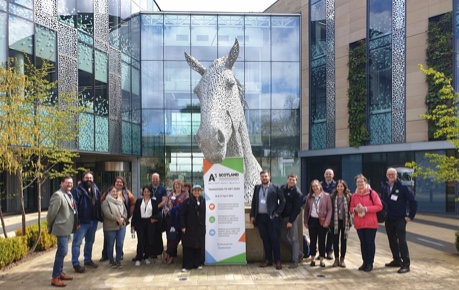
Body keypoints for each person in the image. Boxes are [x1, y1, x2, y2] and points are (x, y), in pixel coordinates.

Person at [381, 168, 418, 274]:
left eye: (393, 174)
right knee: (392, 240)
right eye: (389, 174)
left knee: (401, 240)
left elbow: (413, 202)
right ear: (386, 175)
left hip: (400, 218)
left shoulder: (403, 186)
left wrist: (410, 216)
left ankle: (406, 264)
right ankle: (396, 260)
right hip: (389, 218)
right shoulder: (385, 186)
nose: (391, 176)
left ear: (396, 175)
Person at [250, 170, 286, 270]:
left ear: (269, 177)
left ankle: (278, 261)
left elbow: (283, 201)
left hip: (272, 218)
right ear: (260, 178)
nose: (264, 178)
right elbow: (254, 203)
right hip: (260, 218)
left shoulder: (276, 187)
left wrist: (278, 212)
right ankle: (268, 260)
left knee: (274, 239)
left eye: (266, 176)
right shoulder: (257, 188)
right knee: (265, 239)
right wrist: (252, 215)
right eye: (262, 176)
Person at [47, 176, 77, 287]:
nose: (69, 184)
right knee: (62, 252)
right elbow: (51, 213)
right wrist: (50, 226)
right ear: (61, 183)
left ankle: (60, 272)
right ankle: (55, 277)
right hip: (61, 228)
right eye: (67, 182)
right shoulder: (58, 195)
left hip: (67, 228)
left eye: (71, 183)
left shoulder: (69, 194)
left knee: (62, 252)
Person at [350, 174, 383, 272]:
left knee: (369, 243)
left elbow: (379, 206)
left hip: (370, 223)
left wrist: (366, 209)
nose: (360, 183)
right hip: (359, 223)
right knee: (363, 243)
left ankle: (370, 263)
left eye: (361, 181)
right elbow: (351, 208)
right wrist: (355, 209)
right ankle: (364, 262)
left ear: (365, 182)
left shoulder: (372, 193)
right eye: (358, 182)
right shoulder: (354, 195)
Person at [71, 172, 102, 273]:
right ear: (83, 179)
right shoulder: (77, 191)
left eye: (91, 178)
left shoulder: (95, 189)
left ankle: (87, 260)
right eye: (87, 178)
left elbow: (99, 203)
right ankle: (75, 263)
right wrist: (76, 222)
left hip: (93, 221)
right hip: (82, 222)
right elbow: (74, 207)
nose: (89, 179)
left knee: (90, 242)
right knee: (77, 243)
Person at [100, 177, 135, 262]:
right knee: (108, 241)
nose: (119, 183)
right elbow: (101, 202)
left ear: (123, 184)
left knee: (120, 241)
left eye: (121, 182)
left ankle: (119, 255)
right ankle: (106, 255)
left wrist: (126, 218)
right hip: (110, 223)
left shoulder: (127, 193)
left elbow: (132, 203)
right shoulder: (107, 192)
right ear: (114, 183)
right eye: (117, 182)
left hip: (122, 221)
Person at [303, 179, 332, 267]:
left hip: (322, 221)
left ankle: (322, 260)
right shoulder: (309, 196)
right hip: (312, 220)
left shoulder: (326, 196)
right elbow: (306, 210)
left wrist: (327, 221)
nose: (315, 187)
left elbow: (330, 209)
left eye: (316, 186)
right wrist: (305, 221)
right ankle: (312, 259)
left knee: (322, 240)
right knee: (313, 240)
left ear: (320, 186)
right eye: (313, 186)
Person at [131, 186, 160, 266]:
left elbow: (157, 213)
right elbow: (135, 214)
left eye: (148, 191)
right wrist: (132, 225)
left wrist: (154, 219)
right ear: (143, 192)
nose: (146, 193)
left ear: (150, 192)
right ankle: (139, 258)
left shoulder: (154, 202)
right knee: (141, 241)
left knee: (148, 240)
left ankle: (146, 257)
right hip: (140, 223)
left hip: (150, 223)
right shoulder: (139, 201)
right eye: (145, 191)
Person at [180, 184, 206, 272]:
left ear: (201, 192)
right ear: (192, 191)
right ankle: (186, 265)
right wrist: (183, 226)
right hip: (189, 228)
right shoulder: (187, 202)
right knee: (188, 246)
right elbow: (182, 214)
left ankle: (197, 264)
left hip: (199, 228)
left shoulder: (203, 201)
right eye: (195, 190)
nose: (197, 192)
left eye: (198, 190)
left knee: (198, 246)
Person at [162, 179, 189, 264]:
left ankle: (167, 252)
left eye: (179, 185)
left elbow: (187, 205)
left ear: (181, 186)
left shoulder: (185, 194)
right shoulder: (170, 195)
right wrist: (169, 211)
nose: (177, 186)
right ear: (174, 186)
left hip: (181, 219)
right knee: (171, 237)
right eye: (175, 185)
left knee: (178, 237)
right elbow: (165, 206)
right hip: (171, 219)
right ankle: (171, 256)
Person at [279, 173, 303, 268]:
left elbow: (297, 208)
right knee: (283, 237)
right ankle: (299, 253)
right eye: (290, 179)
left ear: (296, 181)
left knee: (294, 239)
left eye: (293, 180)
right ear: (287, 179)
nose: (291, 181)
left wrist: (291, 221)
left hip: (292, 218)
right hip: (282, 217)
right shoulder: (282, 188)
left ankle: (295, 261)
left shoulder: (298, 193)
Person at [101, 186, 128, 269]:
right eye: (113, 191)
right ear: (109, 193)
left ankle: (118, 260)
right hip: (110, 227)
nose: (115, 193)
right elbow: (107, 214)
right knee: (110, 244)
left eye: (116, 191)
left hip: (121, 226)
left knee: (120, 244)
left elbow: (125, 211)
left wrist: (123, 218)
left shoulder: (120, 201)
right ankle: (111, 261)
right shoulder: (106, 202)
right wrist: (117, 219)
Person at [330, 179, 351, 268]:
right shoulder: (332, 197)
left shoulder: (348, 196)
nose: (340, 188)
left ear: (344, 187)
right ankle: (336, 258)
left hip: (345, 222)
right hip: (335, 222)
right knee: (335, 241)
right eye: (338, 186)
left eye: (341, 186)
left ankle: (342, 259)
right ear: (336, 187)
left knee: (344, 240)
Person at [146, 173, 168, 259]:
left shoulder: (162, 189)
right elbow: (144, 197)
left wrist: (155, 207)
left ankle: (159, 250)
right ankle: (151, 252)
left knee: (158, 232)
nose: (155, 180)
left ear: (159, 179)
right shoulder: (148, 188)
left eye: (156, 178)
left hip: (158, 213)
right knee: (149, 233)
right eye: (153, 178)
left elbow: (164, 201)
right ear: (151, 179)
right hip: (148, 213)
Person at [321, 168, 335, 259]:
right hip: (322, 212)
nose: (328, 176)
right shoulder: (320, 185)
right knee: (321, 233)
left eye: (330, 174)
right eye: (327, 174)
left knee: (331, 233)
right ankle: (321, 252)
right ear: (324, 175)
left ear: (333, 175)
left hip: (333, 212)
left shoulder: (336, 185)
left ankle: (329, 251)